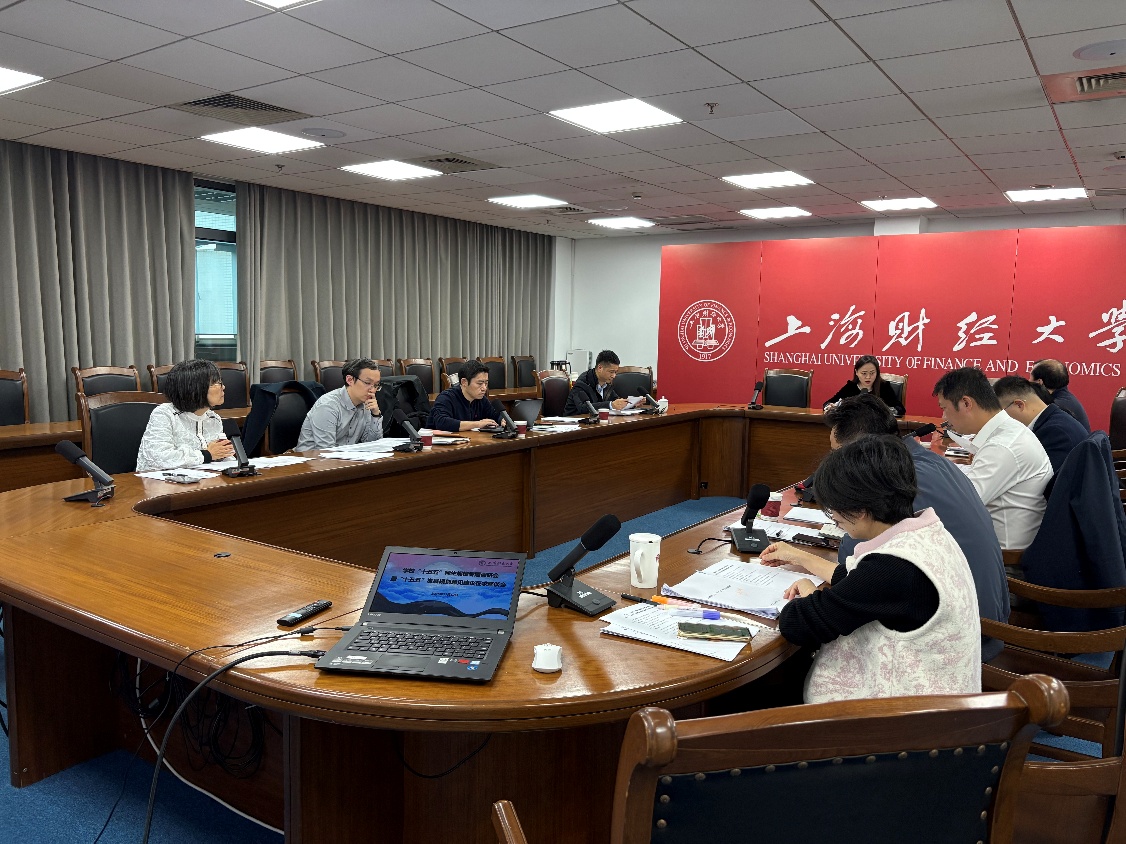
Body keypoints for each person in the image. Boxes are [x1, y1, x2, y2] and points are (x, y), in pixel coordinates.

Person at [765, 435, 981, 703]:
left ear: (860, 510)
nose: (835, 518)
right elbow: (857, 582)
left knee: (766, 692)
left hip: (902, 717)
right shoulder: (926, 533)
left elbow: (798, 624)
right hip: (948, 700)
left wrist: (810, 595)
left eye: (834, 510)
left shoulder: (892, 569)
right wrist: (800, 556)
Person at [806, 393, 1006, 659]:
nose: (835, 464)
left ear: (861, 451)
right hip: (979, 614)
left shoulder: (897, 483)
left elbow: (853, 567)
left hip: (959, 640)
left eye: (838, 454)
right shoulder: (929, 462)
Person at [933, 367, 1052, 550]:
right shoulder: (1009, 431)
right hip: (990, 540)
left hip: (1002, 556)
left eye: (944, 408)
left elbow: (960, 505)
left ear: (966, 403)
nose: (944, 417)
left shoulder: (1003, 446)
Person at [136, 359, 234, 471]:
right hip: (157, 479)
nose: (223, 387)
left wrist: (229, 459)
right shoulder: (164, 414)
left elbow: (218, 455)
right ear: (195, 388)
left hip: (201, 478)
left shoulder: (214, 418)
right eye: (216, 383)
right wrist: (207, 455)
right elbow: (158, 458)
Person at [994, 376, 1087, 477]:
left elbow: (1042, 481)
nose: (1001, 419)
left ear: (1019, 405)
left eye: (1000, 413)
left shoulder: (1055, 433)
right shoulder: (1054, 421)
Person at [295, 358, 384, 451]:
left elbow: (373, 445)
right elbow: (326, 451)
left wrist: (375, 415)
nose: (373, 390)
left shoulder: (366, 404)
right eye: (368, 383)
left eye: (376, 385)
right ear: (350, 380)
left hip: (345, 457)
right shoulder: (328, 406)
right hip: (311, 458)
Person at [428, 359, 504, 433]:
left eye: (486, 383)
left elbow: (495, 416)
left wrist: (502, 420)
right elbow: (442, 423)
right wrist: (477, 424)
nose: (484, 388)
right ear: (464, 382)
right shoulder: (446, 398)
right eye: (480, 383)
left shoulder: (481, 400)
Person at [822, 355, 904, 416]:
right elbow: (828, 403)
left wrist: (885, 411)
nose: (868, 377)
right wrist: (830, 407)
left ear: (877, 373)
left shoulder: (884, 387)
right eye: (864, 373)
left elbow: (900, 409)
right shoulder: (851, 387)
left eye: (872, 373)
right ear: (857, 372)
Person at [563, 350, 632, 415]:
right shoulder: (582, 382)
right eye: (611, 372)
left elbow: (615, 400)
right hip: (575, 421)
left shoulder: (607, 383)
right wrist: (610, 405)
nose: (614, 376)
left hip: (596, 420)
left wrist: (630, 404)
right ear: (600, 368)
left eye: (615, 372)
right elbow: (583, 407)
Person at [1031, 358, 1091, 432]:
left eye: (1030, 377)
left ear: (1039, 382)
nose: (1029, 381)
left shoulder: (1056, 409)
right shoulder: (1066, 400)